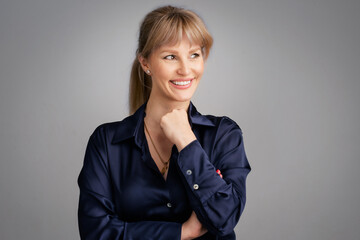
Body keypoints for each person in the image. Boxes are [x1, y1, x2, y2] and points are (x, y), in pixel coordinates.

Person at [78, 5, 251, 240]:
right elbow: (95, 233)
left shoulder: (224, 135)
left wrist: (186, 141)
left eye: (194, 55)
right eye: (170, 56)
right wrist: (181, 232)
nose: (185, 69)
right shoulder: (106, 143)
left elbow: (225, 218)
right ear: (146, 63)